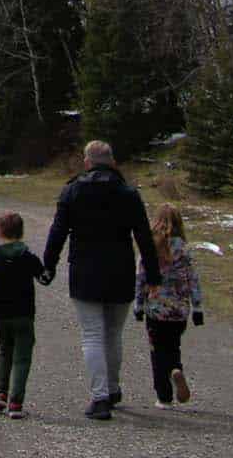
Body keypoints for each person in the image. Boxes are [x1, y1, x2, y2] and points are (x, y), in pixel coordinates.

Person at [41, 139, 160, 421]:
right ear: (112, 162)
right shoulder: (129, 193)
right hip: (120, 271)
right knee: (113, 334)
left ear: (87, 162)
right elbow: (144, 237)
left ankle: (100, 396)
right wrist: (153, 275)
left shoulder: (72, 191)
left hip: (85, 273)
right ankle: (114, 388)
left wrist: (49, 266)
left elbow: (58, 233)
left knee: (92, 335)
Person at [0, 210, 49, 420]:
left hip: (2, 316)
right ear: (22, 232)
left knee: (4, 353)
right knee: (22, 358)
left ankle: (0, 394)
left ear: (0, 232)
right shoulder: (29, 257)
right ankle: (16, 402)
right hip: (24, 315)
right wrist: (48, 266)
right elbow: (44, 278)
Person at [135, 203, 205, 408]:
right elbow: (193, 279)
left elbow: (141, 277)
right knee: (173, 346)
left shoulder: (150, 246)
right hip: (179, 310)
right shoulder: (184, 249)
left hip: (156, 309)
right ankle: (176, 369)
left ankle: (164, 396)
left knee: (157, 350)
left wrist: (138, 304)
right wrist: (198, 307)